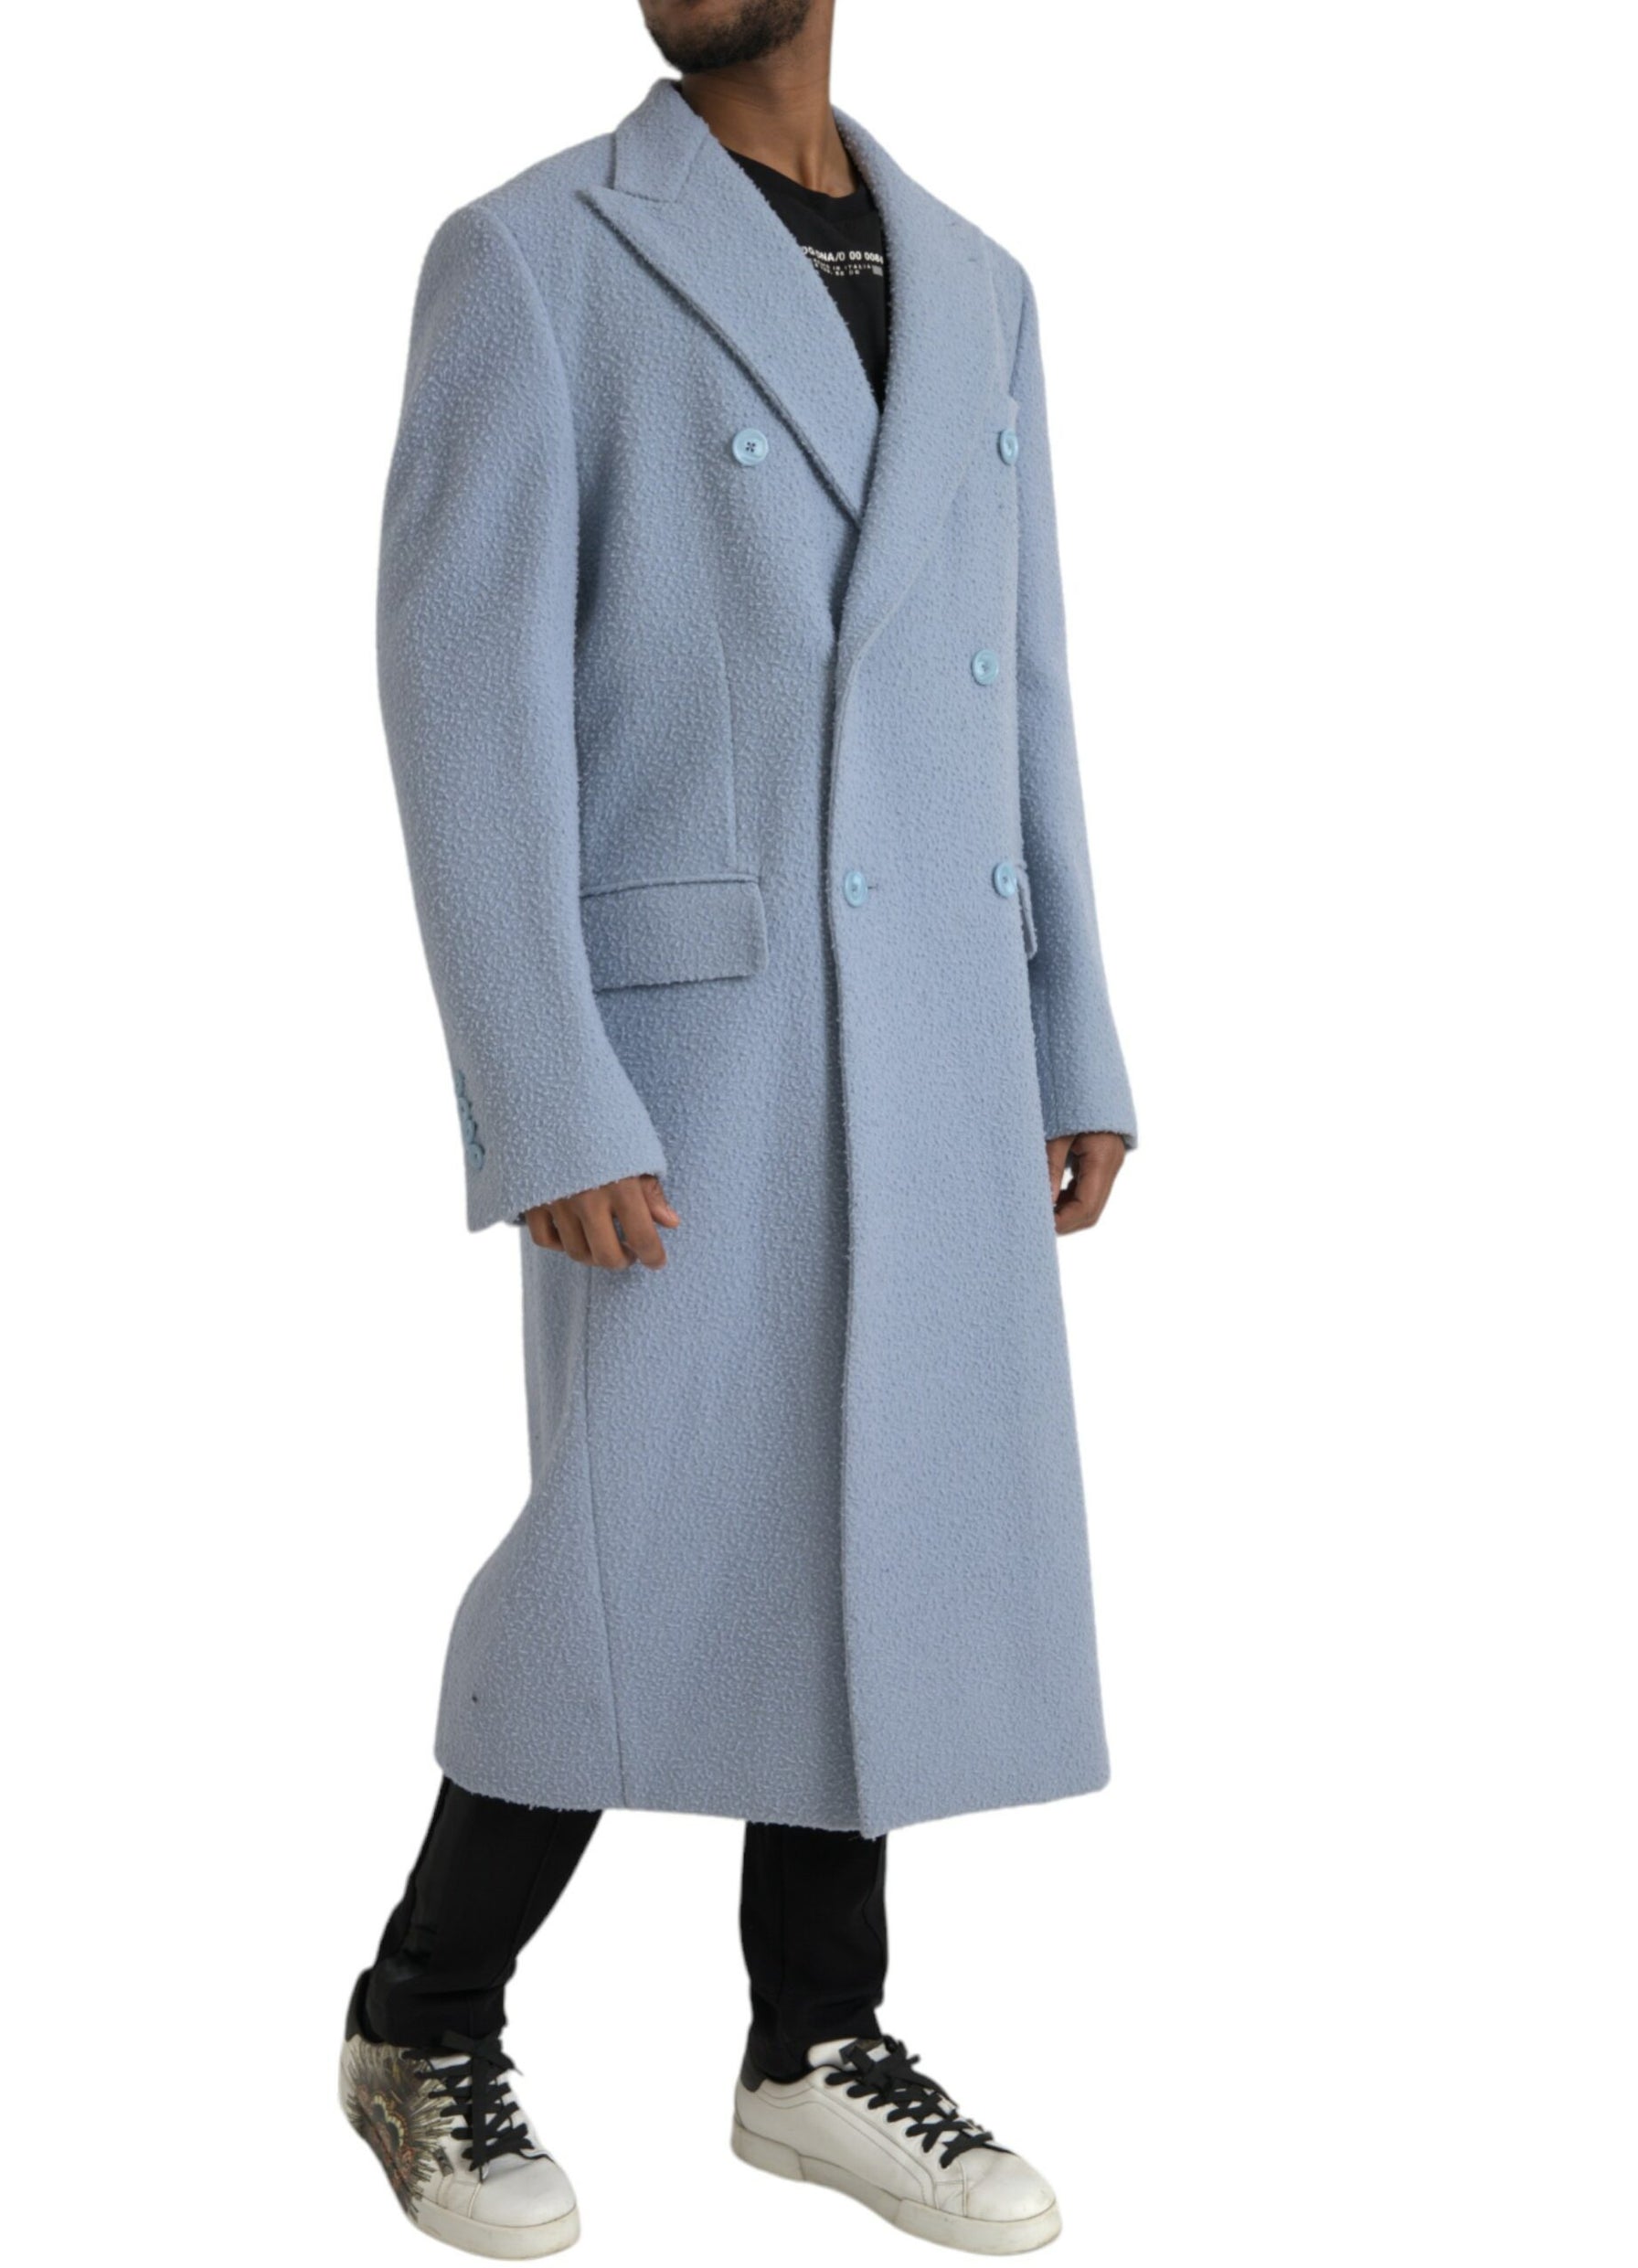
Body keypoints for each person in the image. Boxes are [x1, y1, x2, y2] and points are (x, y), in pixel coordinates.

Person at [341, 1, 1137, 2254]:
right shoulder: (534, 254)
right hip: (691, 1034)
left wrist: (1071, 1027)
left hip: (940, 1012)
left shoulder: (977, 281)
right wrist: (540, 1077)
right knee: (630, 1540)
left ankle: (810, 2037)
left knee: (876, 1510)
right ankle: (420, 2013)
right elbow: (461, 692)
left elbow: (1024, 673)